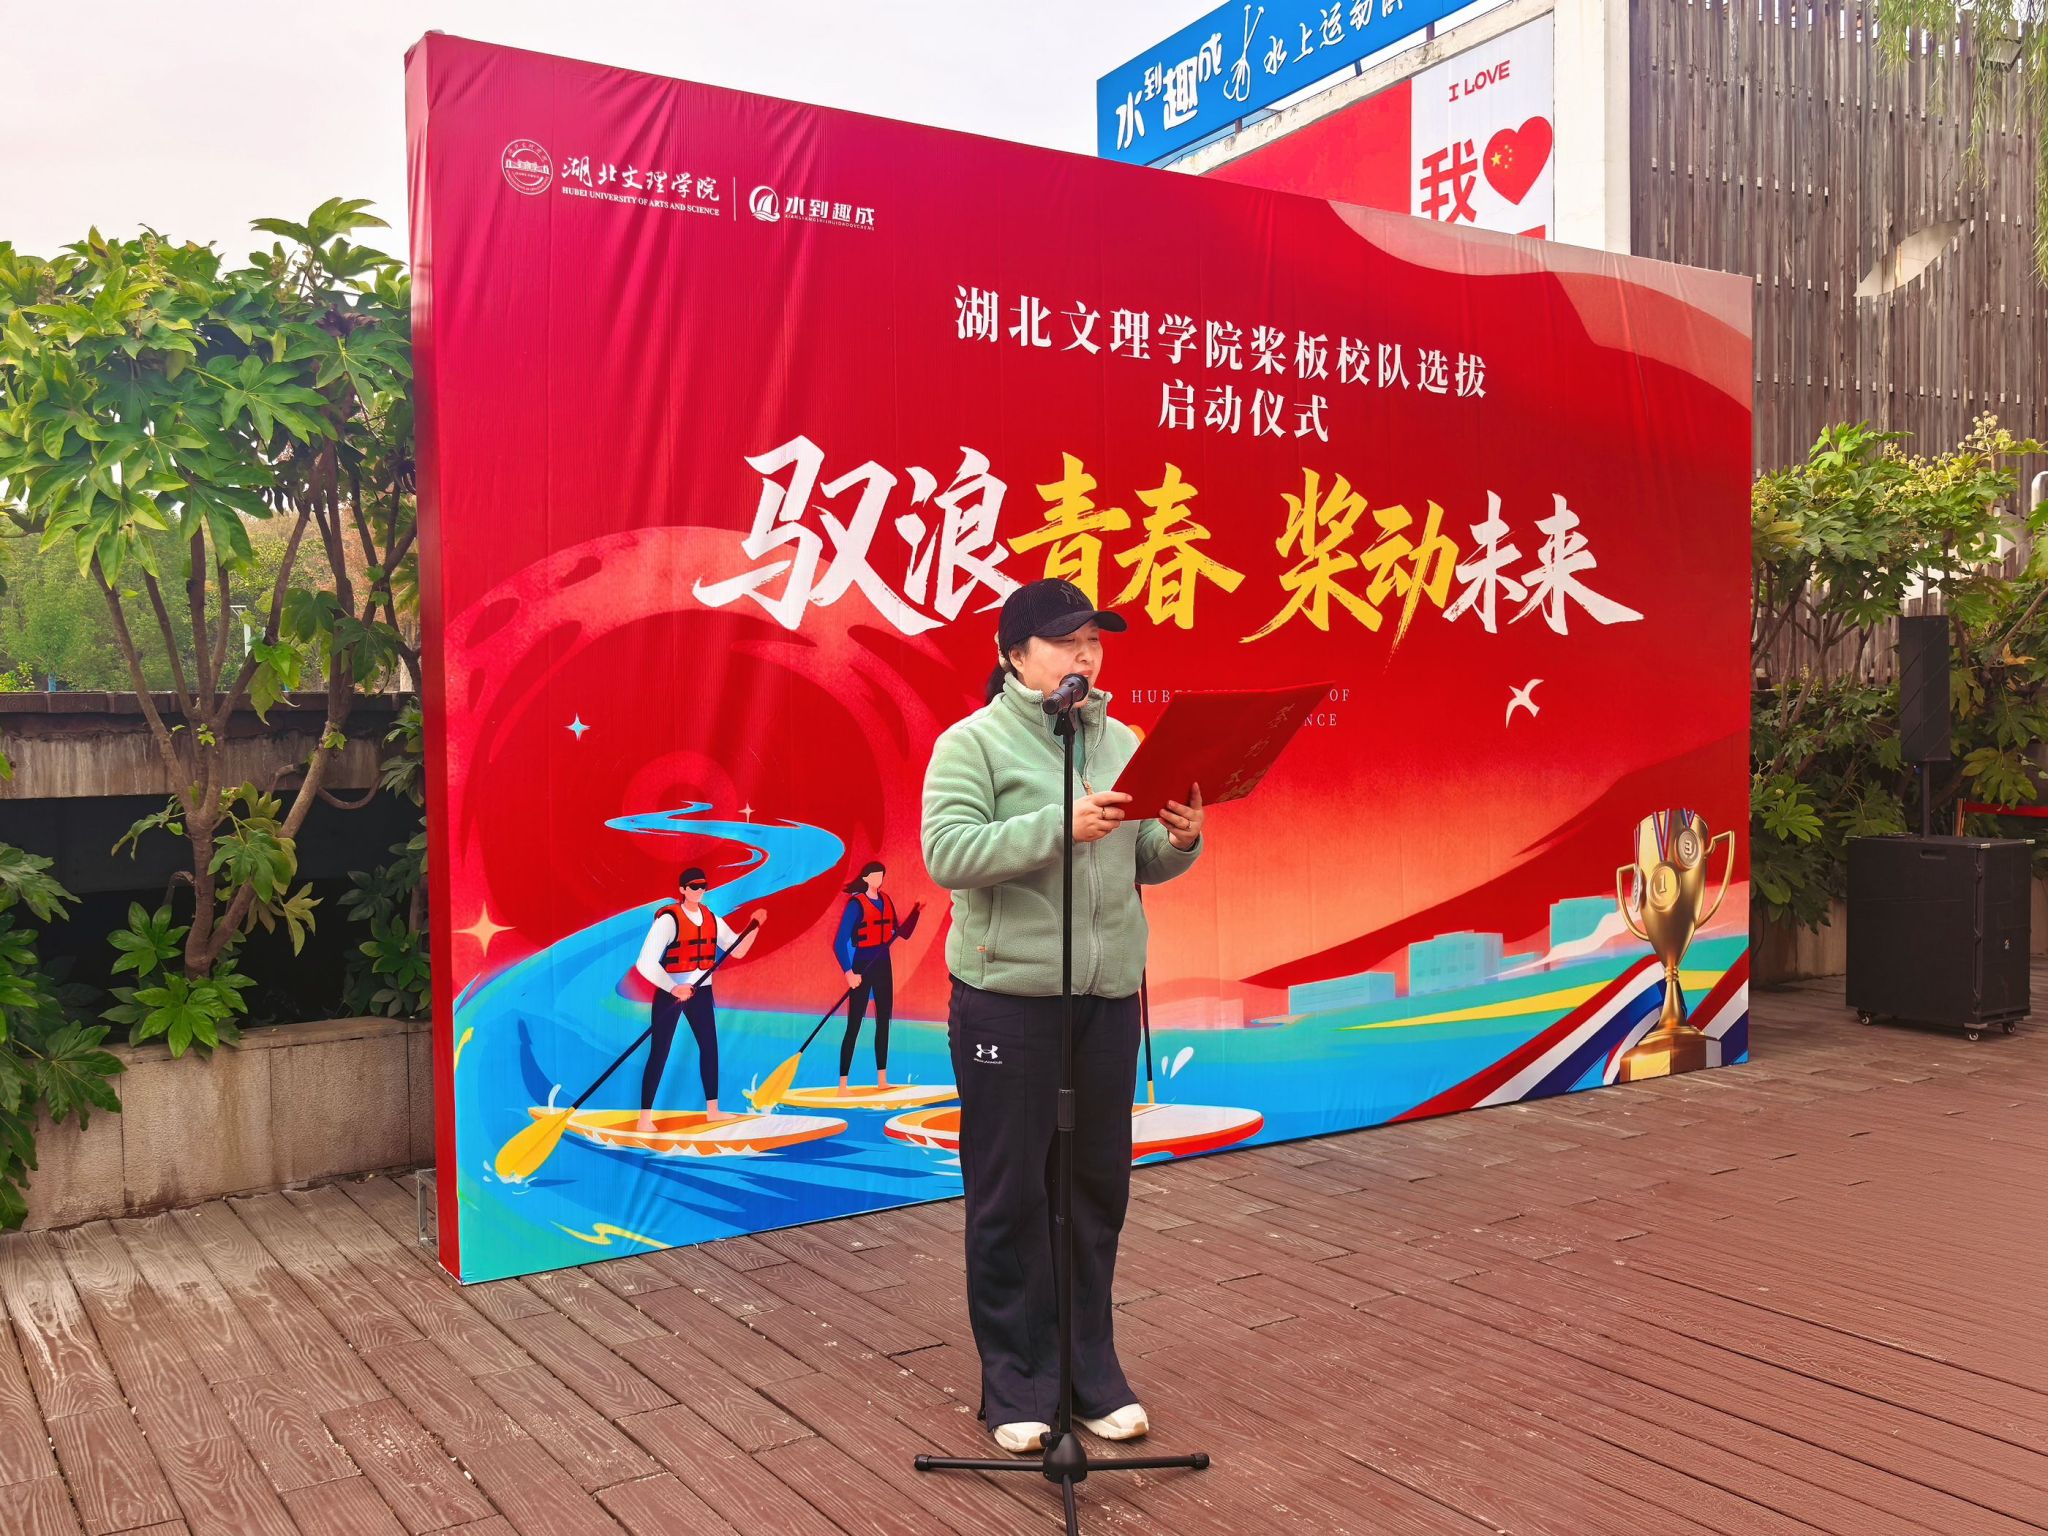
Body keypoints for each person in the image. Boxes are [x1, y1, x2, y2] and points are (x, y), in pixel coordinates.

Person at [921, 577, 1205, 1455]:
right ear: (1014, 655)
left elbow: (1140, 858)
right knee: (1012, 1194)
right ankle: (1018, 1383)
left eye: (1095, 641)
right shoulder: (971, 744)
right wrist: (1056, 826)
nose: (1087, 655)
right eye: (1067, 641)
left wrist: (1179, 838)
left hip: (1105, 999)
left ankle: (1090, 1376)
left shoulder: (1120, 740)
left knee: (1094, 1191)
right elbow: (946, 853)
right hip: (1009, 1000)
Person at [630, 867, 766, 1132]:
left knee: (709, 1047)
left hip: (701, 992)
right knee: (660, 1051)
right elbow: (644, 962)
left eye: (703, 886)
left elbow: (738, 950)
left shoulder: (712, 919)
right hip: (671, 991)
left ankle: (713, 1111)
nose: (699, 891)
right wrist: (673, 988)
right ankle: (644, 1119)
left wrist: (755, 926)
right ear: (682, 889)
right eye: (694, 886)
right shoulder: (668, 920)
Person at [831, 861, 924, 1091]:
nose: (878, 879)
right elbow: (839, 943)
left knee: (884, 1022)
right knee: (854, 1024)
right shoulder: (856, 905)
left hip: (883, 964)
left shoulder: (886, 900)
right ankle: (843, 1084)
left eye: (881, 875)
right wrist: (849, 973)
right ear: (865, 878)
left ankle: (882, 1080)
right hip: (863, 965)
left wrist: (916, 912)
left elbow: (903, 934)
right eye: (874, 875)